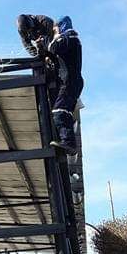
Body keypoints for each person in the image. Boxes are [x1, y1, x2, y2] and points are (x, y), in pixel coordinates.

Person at [45, 16, 83, 154]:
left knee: (59, 110)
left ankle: (68, 143)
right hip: (72, 81)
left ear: (61, 26)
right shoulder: (71, 39)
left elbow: (55, 48)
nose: (55, 32)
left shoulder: (70, 37)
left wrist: (48, 40)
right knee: (64, 111)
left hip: (70, 81)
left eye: (56, 29)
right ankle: (68, 138)